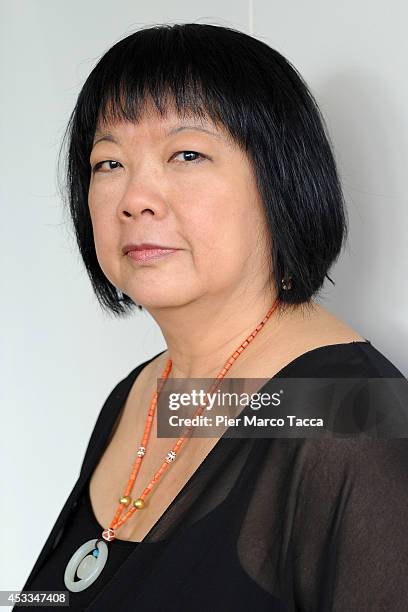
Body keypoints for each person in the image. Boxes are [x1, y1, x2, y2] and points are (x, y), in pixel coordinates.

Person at [15, 23, 408, 611]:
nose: (135, 197)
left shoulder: (349, 414)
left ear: (280, 180)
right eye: (108, 163)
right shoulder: (142, 394)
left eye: (187, 154)